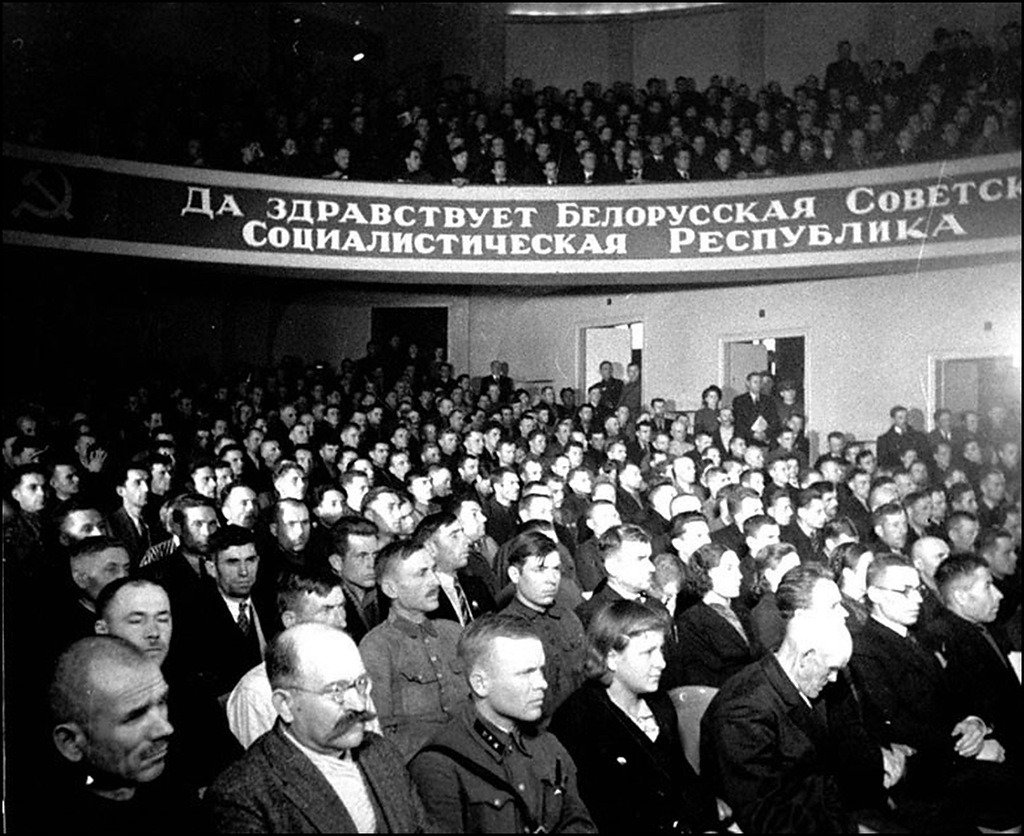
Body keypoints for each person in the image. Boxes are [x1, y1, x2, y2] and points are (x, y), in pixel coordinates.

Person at [205, 623, 430, 833]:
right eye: (336, 691)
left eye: (361, 683)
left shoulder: (381, 751)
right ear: (285, 705)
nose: (360, 704)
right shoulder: (242, 795)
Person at [701, 565, 878, 833]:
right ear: (806, 655)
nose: (832, 680)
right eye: (830, 670)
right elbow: (765, 817)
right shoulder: (743, 709)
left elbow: (824, 782)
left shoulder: (810, 683)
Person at [408, 614, 597, 833]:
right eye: (526, 673)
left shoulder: (548, 745)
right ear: (480, 684)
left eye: (540, 670)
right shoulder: (439, 766)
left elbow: (580, 824)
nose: (542, 683)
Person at [550, 600, 720, 833]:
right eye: (648, 653)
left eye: (660, 650)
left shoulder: (660, 705)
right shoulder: (578, 720)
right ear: (611, 658)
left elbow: (685, 779)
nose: (661, 663)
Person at [45, 636, 200, 833]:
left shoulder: (179, 797)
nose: (165, 728)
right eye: (135, 717)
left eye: (161, 702)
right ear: (71, 742)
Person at [359, 540, 467, 762]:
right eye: (421, 574)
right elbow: (381, 733)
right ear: (391, 589)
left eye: (433, 571)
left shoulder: (454, 633)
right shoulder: (376, 647)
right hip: (420, 766)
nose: (434, 581)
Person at [227, 566, 350, 749]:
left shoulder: (348, 672)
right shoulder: (257, 692)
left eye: (342, 607)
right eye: (327, 610)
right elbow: (262, 770)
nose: (342, 621)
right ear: (291, 621)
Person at [500, 530, 586, 721]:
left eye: (555, 569)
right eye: (540, 569)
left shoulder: (568, 617)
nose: (552, 579)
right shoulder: (506, 631)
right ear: (515, 574)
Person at [676, 541, 761, 686]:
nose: (739, 575)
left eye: (738, 568)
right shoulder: (691, 621)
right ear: (706, 573)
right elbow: (701, 678)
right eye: (729, 568)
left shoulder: (742, 612)